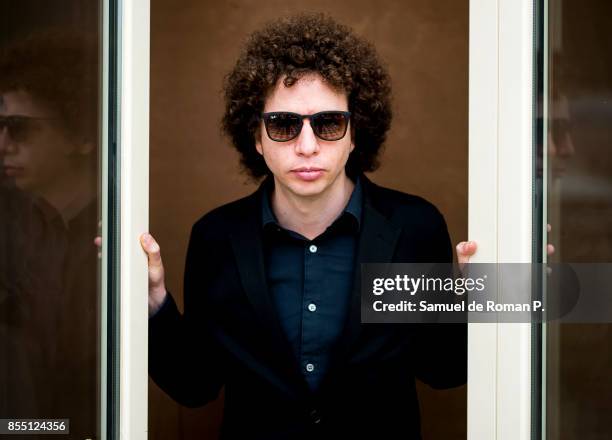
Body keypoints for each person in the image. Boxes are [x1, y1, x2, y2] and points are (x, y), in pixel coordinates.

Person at [144, 13, 477, 439]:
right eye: (283, 124)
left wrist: (478, 303)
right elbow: (196, 385)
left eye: (329, 124)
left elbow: (443, 369)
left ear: (355, 133)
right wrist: (154, 304)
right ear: (257, 137)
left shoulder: (413, 228)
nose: (306, 146)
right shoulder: (216, 237)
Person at [0, 30, 99, 439]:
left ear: (82, 136)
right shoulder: (22, 227)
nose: (3, 144)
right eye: (0, 126)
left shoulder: (105, 239)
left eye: (19, 129)